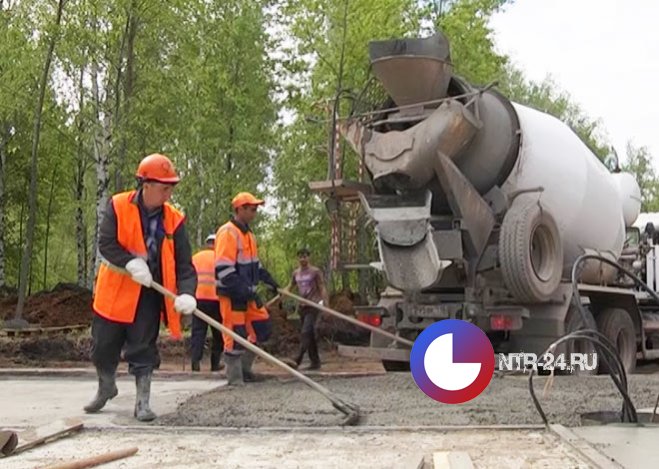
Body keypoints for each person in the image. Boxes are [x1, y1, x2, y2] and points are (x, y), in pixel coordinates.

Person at [84, 153, 198, 421]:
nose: (169, 194)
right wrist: (130, 263)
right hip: (114, 290)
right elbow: (106, 244)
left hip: (149, 293)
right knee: (102, 347)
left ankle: (142, 403)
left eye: (171, 188)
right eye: (164, 188)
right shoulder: (118, 205)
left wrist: (187, 293)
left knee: (143, 348)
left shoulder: (175, 220)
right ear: (146, 184)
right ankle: (106, 386)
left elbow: (185, 264)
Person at [214, 192, 280, 385]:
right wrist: (247, 292)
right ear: (239, 209)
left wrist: (271, 282)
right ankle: (235, 378)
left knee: (262, 328)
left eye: (256, 209)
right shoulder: (228, 232)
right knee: (235, 335)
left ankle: (245, 370)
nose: (254, 213)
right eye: (251, 209)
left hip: (248, 294)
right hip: (232, 294)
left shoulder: (249, 235)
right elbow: (224, 270)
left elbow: (255, 266)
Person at [284, 247, 329, 370]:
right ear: (297, 258)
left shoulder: (315, 271)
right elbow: (290, 285)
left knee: (305, 332)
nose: (303, 258)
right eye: (300, 256)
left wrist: (326, 304)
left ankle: (297, 359)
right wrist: (284, 293)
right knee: (309, 335)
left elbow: (322, 287)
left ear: (309, 257)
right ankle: (315, 362)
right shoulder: (296, 273)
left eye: (305, 256)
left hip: (313, 306)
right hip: (302, 307)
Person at [190, 233, 224, 372]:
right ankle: (215, 364)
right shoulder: (221, 258)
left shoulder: (195, 258)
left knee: (198, 332)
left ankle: (195, 363)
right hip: (217, 300)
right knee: (218, 334)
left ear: (206, 243)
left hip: (198, 300)